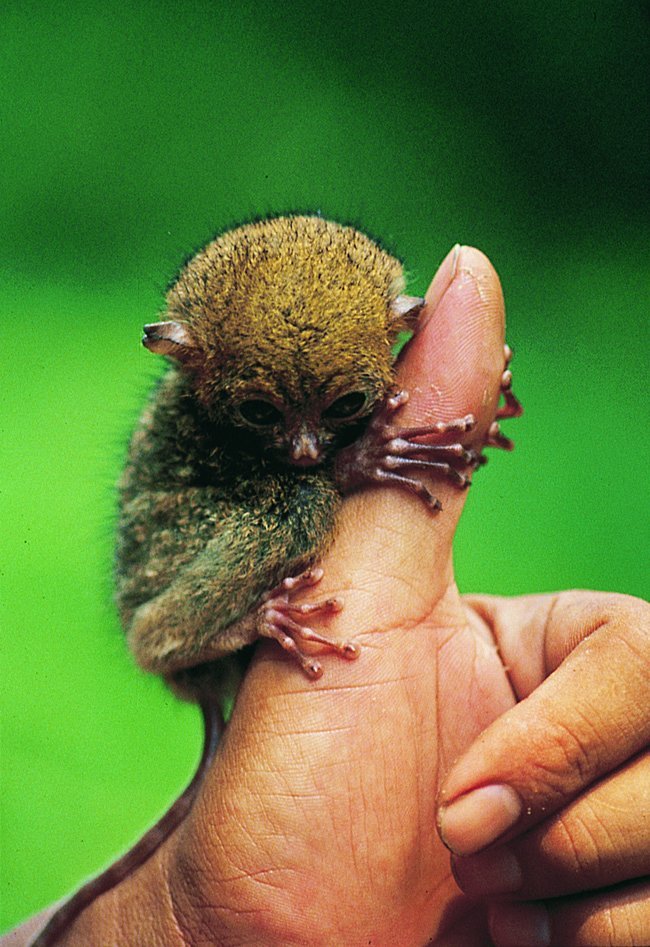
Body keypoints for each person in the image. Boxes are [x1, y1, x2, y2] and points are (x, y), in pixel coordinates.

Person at [8, 247, 649, 946]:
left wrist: (444, 432)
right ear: (186, 357)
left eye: (343, 406)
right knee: (303, 501)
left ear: (399, 332)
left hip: (245, 608)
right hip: (181, 596)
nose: (306, 444)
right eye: (261, 411)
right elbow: (295, 481)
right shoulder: (217, 432)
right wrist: (362, 456)